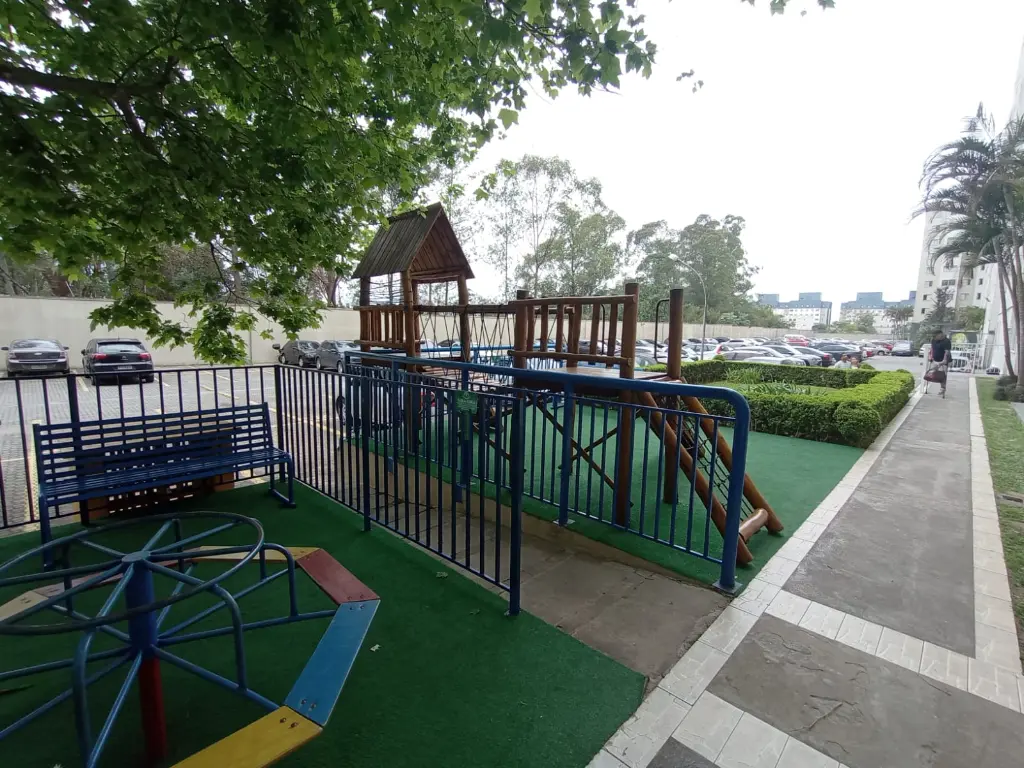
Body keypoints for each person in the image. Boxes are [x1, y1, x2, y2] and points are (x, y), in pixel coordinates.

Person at [929, 330, 952, 395]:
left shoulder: (946, 341)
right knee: (932, 373)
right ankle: (928, 385)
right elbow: (932, 349)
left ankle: (942, 388)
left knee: (942, 375)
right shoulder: (933, 340)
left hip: (943, 361)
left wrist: (944, 361)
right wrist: (930, 356)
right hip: (935, 360)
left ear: (940, 334)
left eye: (935, 336)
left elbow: (947, 352)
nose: (934, 338)